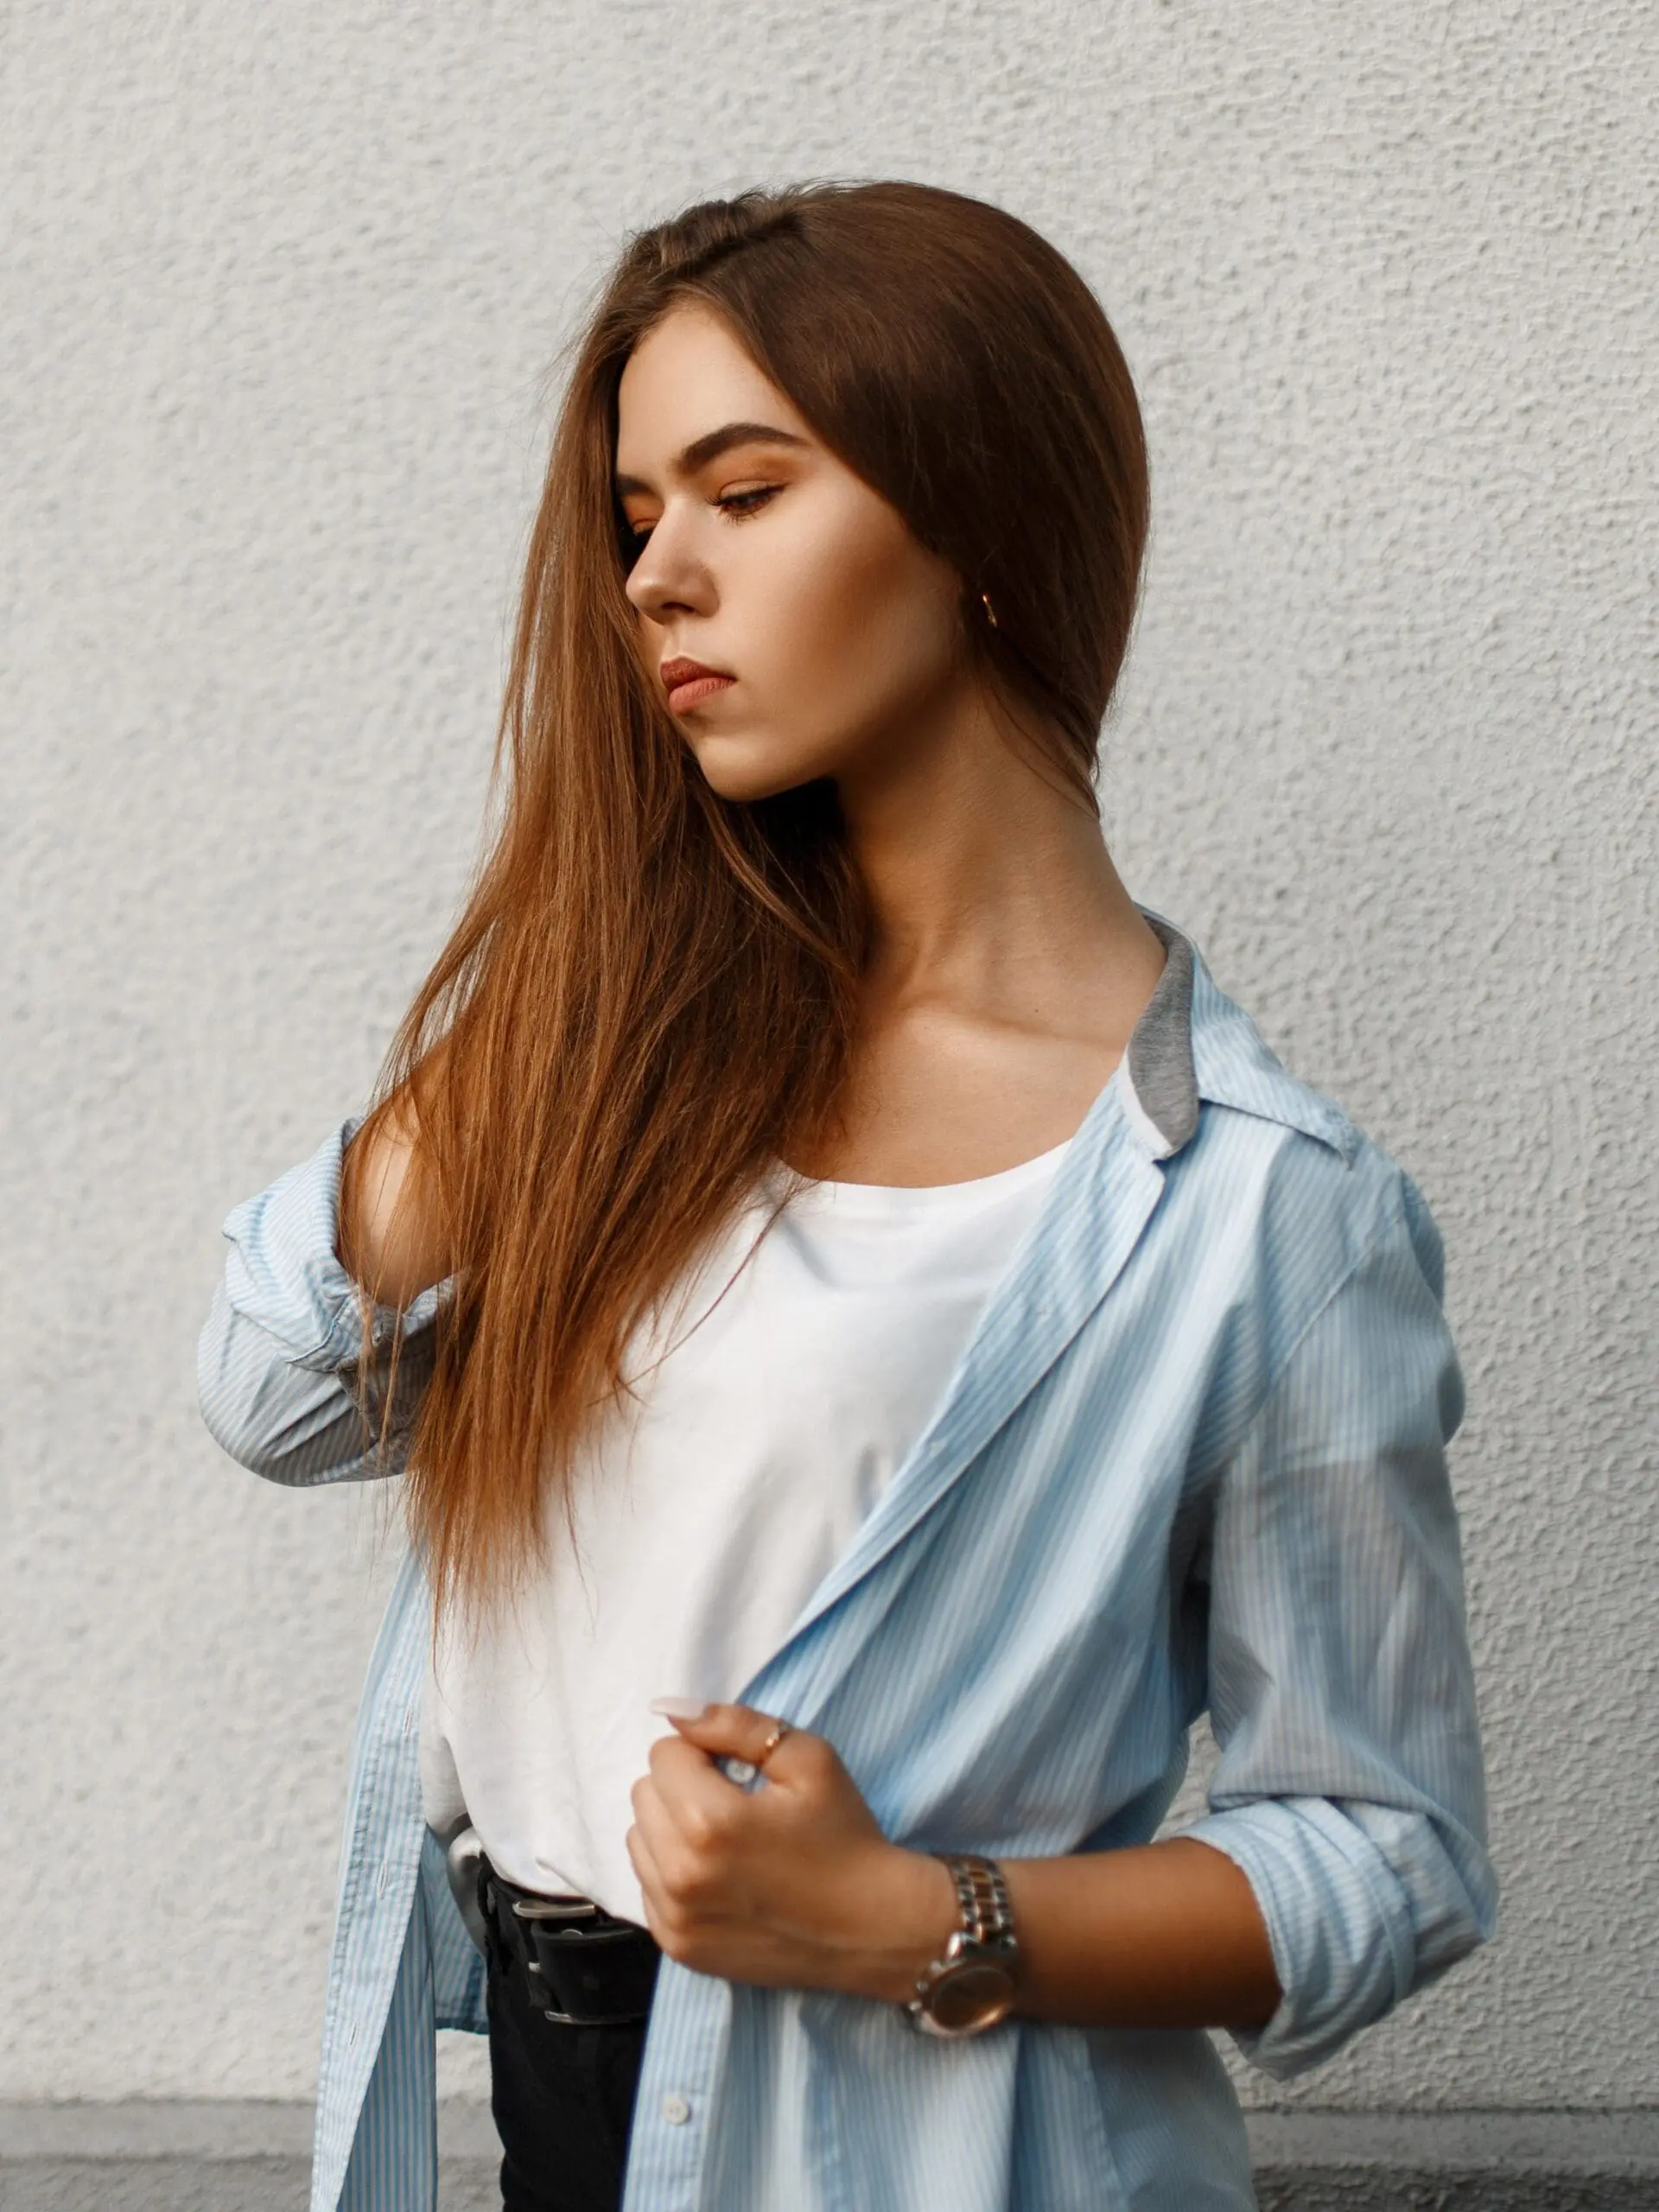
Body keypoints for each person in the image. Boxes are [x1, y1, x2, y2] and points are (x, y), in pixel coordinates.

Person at [198, 181, 1495, 2212]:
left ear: (974, 519)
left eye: (744, 488)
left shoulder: (1261, 1211)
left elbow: (1390, 1847)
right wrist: (576, 973)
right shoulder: (640, 1067)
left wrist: (908, 1913)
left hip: (940, 2151)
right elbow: (273, 1387)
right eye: (636, 514)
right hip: (556, 2108)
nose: (655, 576)